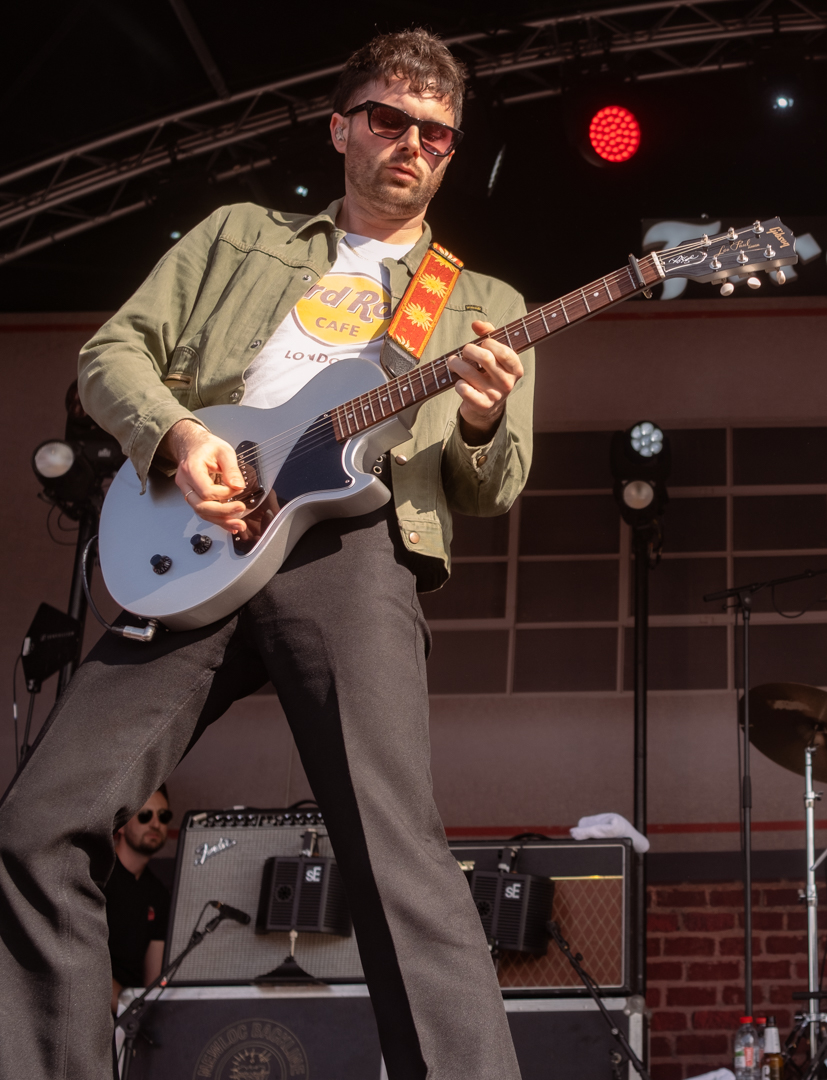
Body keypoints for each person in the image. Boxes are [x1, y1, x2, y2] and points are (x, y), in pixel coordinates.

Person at [0, 30, 533, 1080]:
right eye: (388, 119)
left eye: (435, 133)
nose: (411, 144)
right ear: (340, 128)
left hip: (349, 552)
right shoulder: (240, 235)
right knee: (35, 826)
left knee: (395, 855)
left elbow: (491, 487)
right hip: (198, 539)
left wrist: (478, 421)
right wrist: (178, 437)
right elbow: (111, 353)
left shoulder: (483, 304)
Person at [104, 786, 171, 1009]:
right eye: (145, 815)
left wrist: (146, 1013)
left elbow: (155, 980)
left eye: (163, 816)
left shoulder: (158, 894)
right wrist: (129, 1008)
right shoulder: (96, 878)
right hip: (89, 1008)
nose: (156, 824)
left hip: (132, 1014)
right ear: (121, 825)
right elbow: (79, 962)